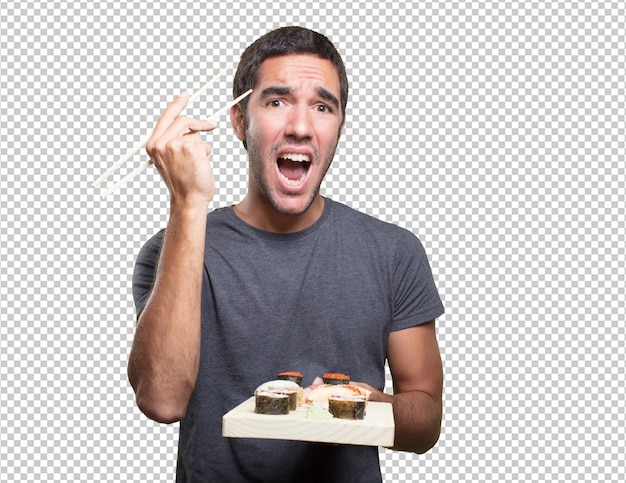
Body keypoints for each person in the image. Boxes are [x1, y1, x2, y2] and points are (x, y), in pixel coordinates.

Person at [128, 26, 444, 482]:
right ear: (239, 120)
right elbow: (161, 400)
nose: (300, 126)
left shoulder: (394, 252)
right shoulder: (168, 249)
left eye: (322, 106)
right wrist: (187, 203)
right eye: (276, 101)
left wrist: (364, 405)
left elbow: (425, 422)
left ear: (340, 125)